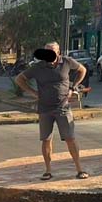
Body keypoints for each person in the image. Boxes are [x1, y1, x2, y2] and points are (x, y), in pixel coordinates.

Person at [15, 42, 88, 181]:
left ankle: (79, 169)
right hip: (44, 108)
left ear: (58, 52)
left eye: (52, 51)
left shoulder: (66, 61)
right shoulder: (37, 67)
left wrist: (73, 87)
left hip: (63, 107)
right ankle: (48, 170)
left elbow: (82, 70)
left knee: (70, 138)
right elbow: (20, 79)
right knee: (46, 140)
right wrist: (33, 93)